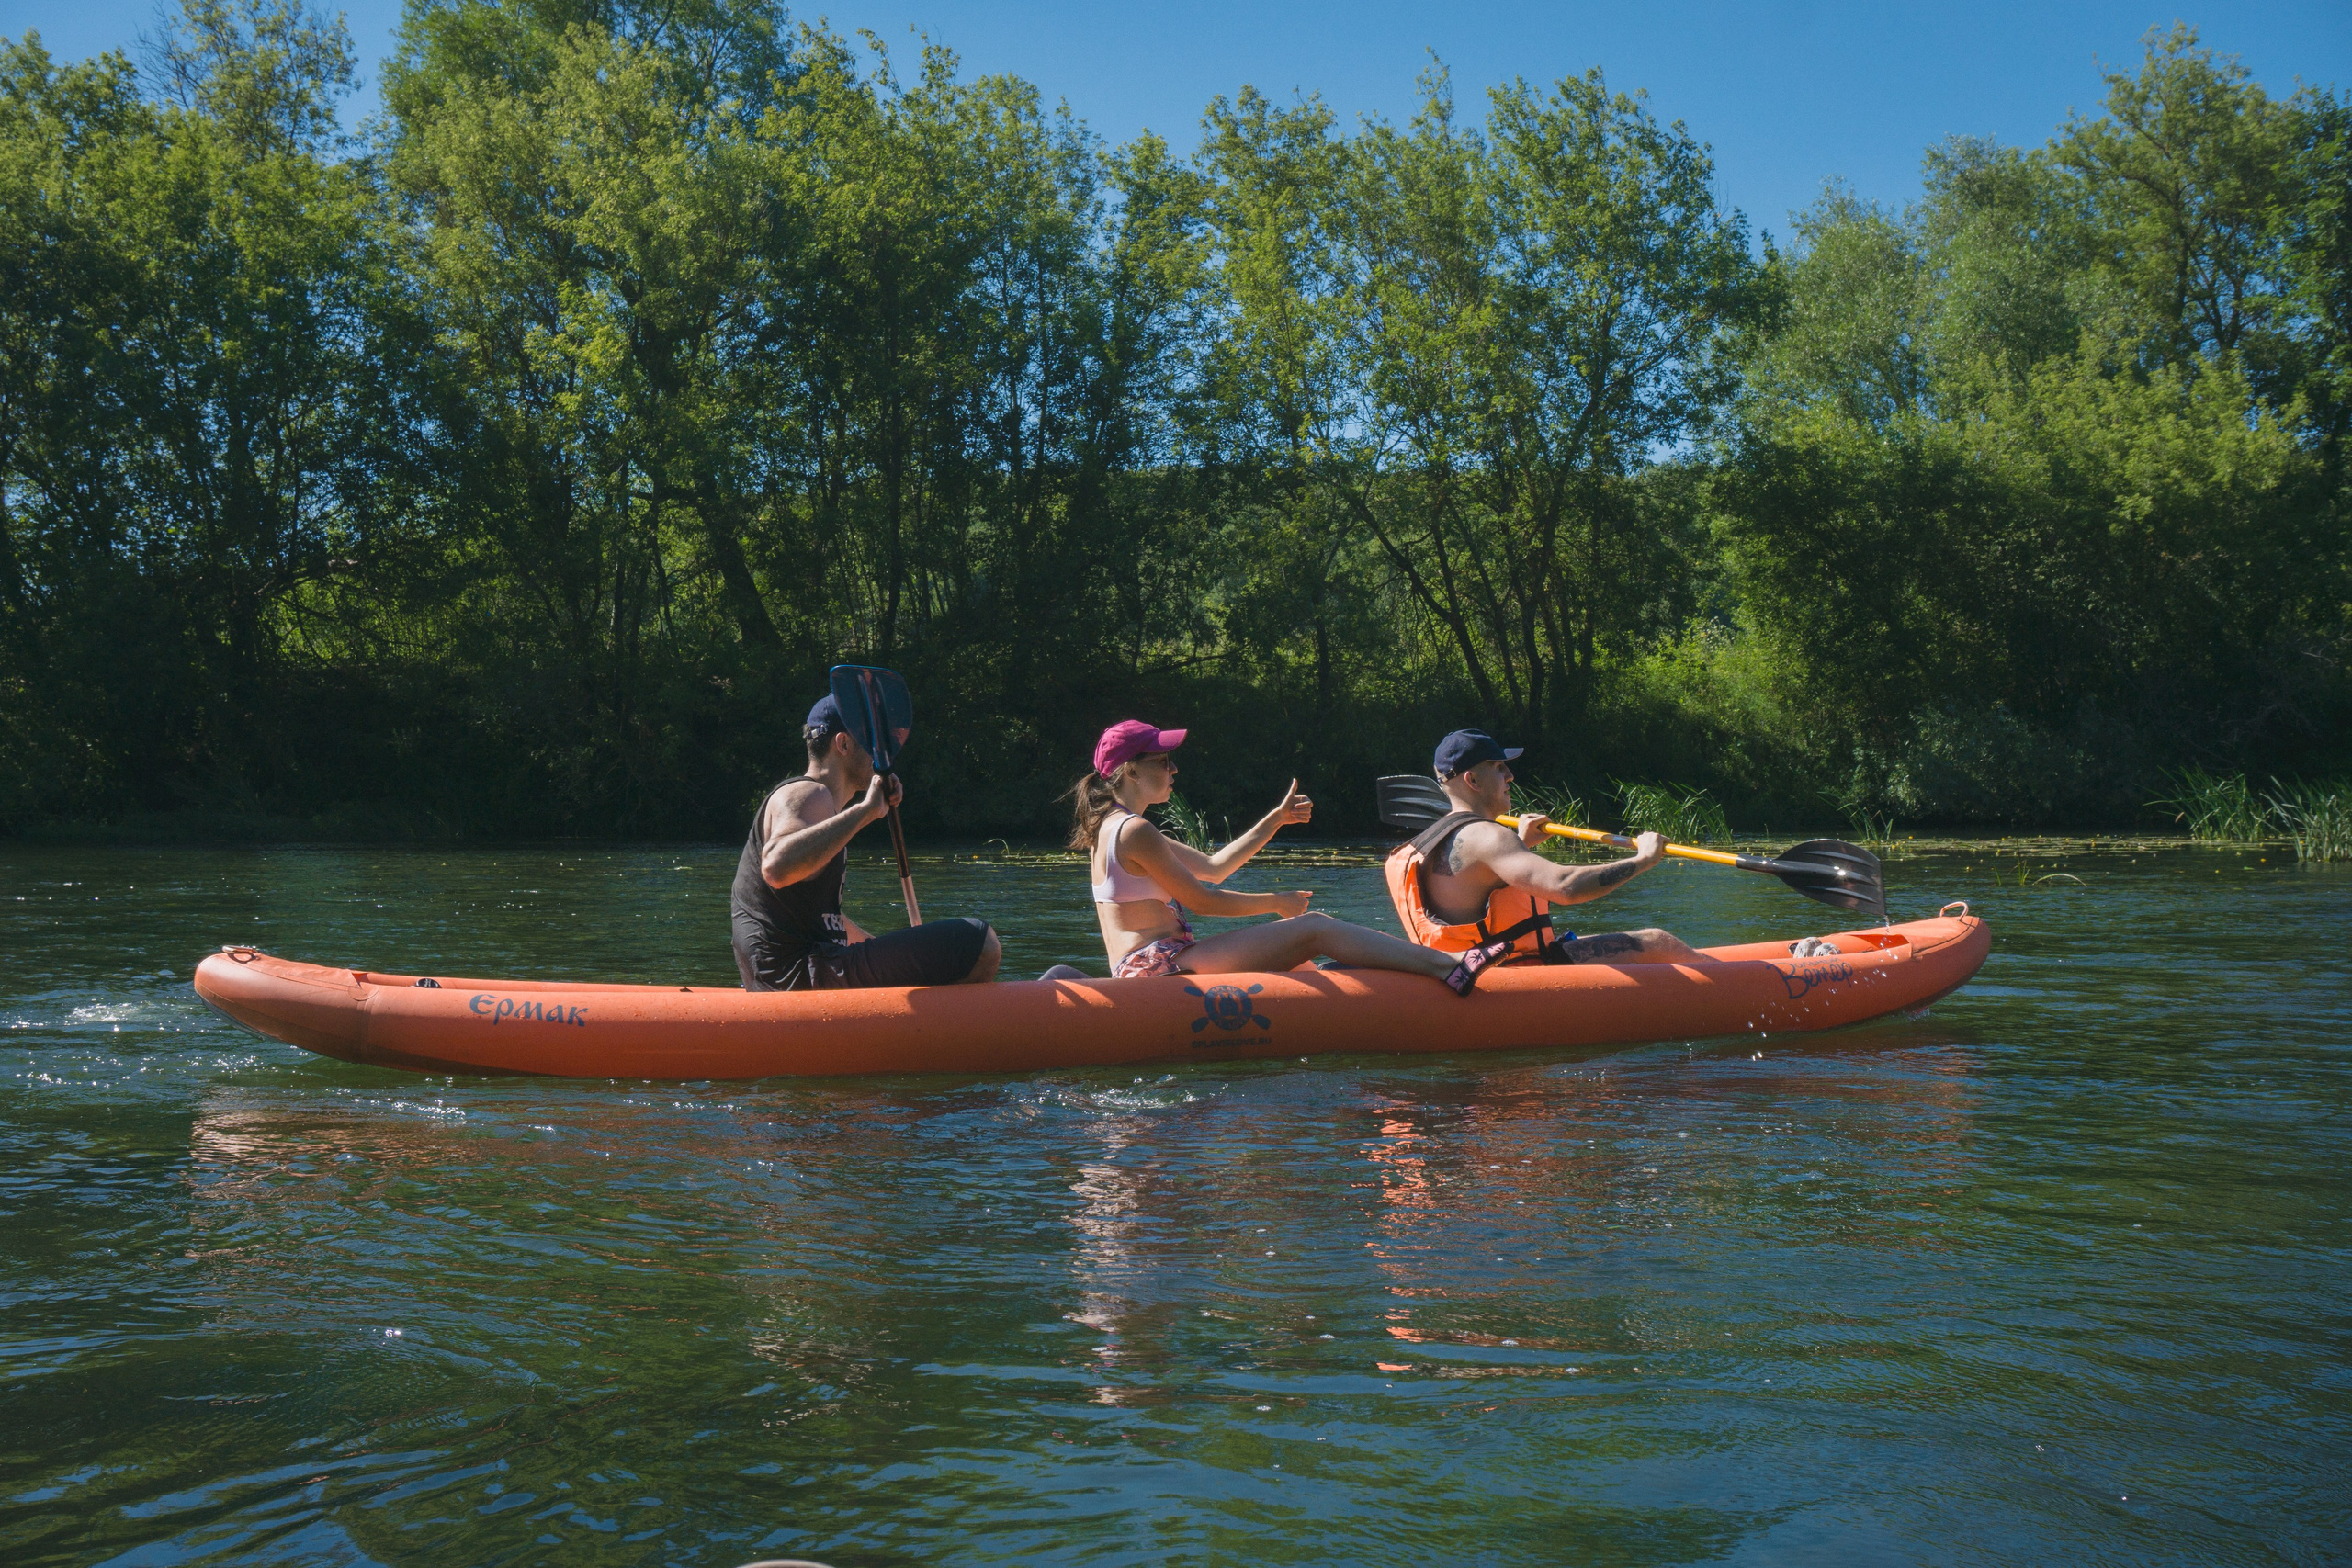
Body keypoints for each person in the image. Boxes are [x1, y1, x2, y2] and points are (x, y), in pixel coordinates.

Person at [1075, 720, 1503, 994]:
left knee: (1300, 960)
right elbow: (1205, 899)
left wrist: (1276, 820)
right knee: (1314, 927)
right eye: (1164, 761)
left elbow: (1215, 868)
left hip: (1153, 964)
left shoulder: (1113, 827)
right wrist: (1275, 903)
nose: (1174, 770)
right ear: (1131, 770)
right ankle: (1447, 966)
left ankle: (1364, 1004)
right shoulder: (1136, 831)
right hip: (1156, 970)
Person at [730, 694, 1001, 991]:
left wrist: (895, 953)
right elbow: (776, 867)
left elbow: (826, 920)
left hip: (807, 970)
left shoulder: (822, 810)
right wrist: (865, 811)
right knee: (976, 941)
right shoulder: (808, 794)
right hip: (800, 977)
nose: (882, 753)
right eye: (873, 741)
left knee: (955, 953)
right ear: (843, 744)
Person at [1386, 728, 1709, 967]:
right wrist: (1643, 859)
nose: (1510, 776)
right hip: (1513, 977)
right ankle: (1744, 991)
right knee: (1658, 941)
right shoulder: (1490, 837)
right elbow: (1565, 888)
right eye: (1499, 768)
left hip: (1454, 973)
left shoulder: (1422, 845)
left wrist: (1522, 844)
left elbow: (1470, 882)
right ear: (1472, 780)